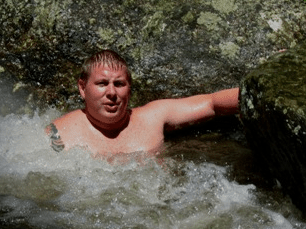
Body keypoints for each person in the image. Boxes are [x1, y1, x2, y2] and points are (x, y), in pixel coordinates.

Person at [45, 49, 239, 158]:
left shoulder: (154, 116)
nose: (111, 92)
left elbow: (212, 103)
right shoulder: (60, 134)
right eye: (102, 83)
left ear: (129, 89)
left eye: (119, 84)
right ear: (82, 87)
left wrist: (256, 92)